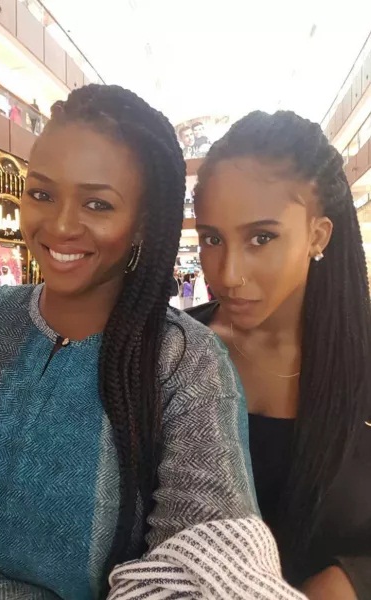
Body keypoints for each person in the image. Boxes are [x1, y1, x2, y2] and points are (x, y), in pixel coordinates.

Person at [0, 87, 303, 599]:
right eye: (41, 194)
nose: (61, 225)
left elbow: (201, 572)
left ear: (142, 223)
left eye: (97, 204)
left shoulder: (183, 364)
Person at [188, 110, 371, 599]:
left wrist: (352, 579)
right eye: (212, 239)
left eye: (261, 238)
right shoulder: (178, 352)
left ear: (318, 235)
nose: (228, 273)